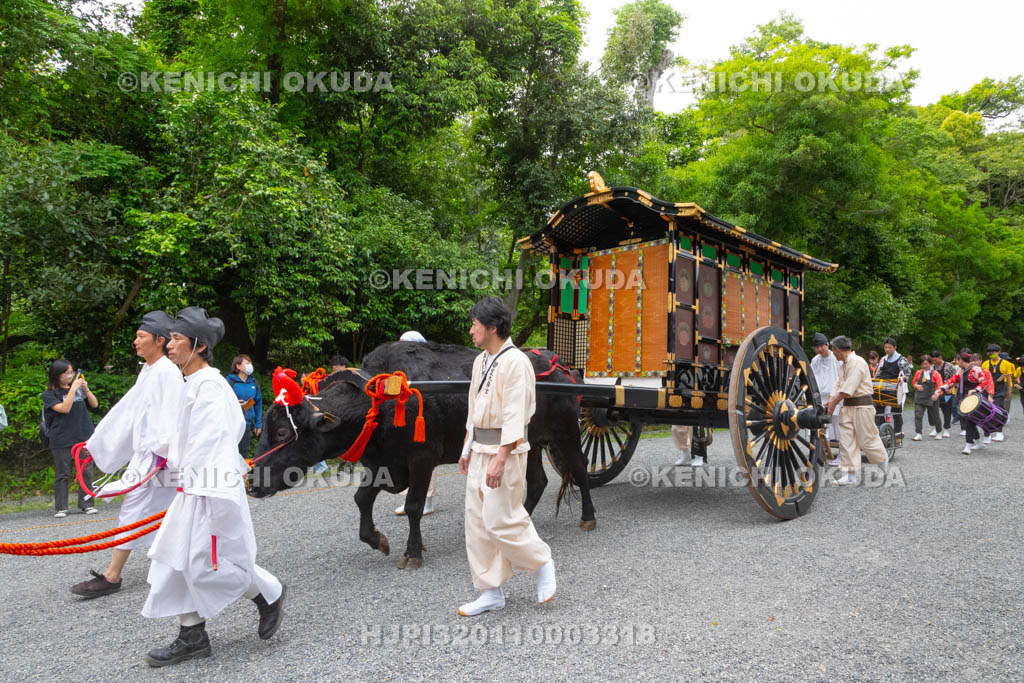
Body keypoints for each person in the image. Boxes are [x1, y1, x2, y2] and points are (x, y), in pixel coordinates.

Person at [142, 307, 284, 667]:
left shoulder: (211, 387)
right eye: (170, 338)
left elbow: (212, 441)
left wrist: (199, 484)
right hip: (192, 486)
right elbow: (180, 437)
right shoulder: (192, 383)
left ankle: (267, 594)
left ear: (200, 345)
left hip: (208, 487)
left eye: (177, 338)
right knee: (176, 560)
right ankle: (192, 636)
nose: (169, 344)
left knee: (204, 562)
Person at [70, 311, 183, 599]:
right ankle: (175, 564)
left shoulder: (167, 372)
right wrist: (99, 441)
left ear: (159, 340)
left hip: (159, 458)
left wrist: (164, 455)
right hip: (151, 455)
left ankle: (113, 575)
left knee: (139, 510)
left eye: (141, 336)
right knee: (168, 511)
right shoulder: (150, 370)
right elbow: (128, 411)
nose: (135, 341)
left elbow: (171, 417)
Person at [458, 297, 555, 616]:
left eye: (475, 324)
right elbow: (474, 409)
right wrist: (467, 447)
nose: (471, 330)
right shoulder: (481, 361)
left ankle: (542, 562)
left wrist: (501, 458)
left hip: (506, 452)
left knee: (501, 519)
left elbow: (515, 414)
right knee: (476, 523)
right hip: (480, 449)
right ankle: (490, 591)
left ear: (492, 327)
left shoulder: (516, 362)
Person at [825, 336, 890, 486]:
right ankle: (850, 475)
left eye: (833, 350)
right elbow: (838, 385)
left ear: (837, 349)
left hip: (862, 406)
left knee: (867, 439)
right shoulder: (843, 366)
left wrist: (834, 403)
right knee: (846, 441)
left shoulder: (857, 362)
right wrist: (831, 400)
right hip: (847, 407)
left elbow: (849, 388)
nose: (833, 353)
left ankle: (883, 463)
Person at [42, 359, 99, 517]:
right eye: (66, 373)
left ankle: (87, 504)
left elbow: (94, 404)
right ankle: (61, 507)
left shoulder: (78, 389)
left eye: (72, 372)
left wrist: (86, 389)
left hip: (83, 434)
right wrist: (73, 388)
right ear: (57, 375)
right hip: (61, 437)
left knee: (86, 471)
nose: (70, 375)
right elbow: (64, 409)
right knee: (62, 473)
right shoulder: (49, 394)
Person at [395, 332, 440, 514]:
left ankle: (427, 501)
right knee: (407, 459)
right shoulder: (400, 366)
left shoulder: (429, 366)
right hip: (407, 417)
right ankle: (410, 498)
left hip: (425, 418)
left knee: (425, 458)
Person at [934, 352, 995, 455]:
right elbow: (952, 380)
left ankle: (968, 445)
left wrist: (975, 390)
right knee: (967, 421)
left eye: (958, 361)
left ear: (961, 361)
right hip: (964, 399)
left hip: (974, 399)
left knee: (970, 421)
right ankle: (978, 442)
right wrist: (940, 389)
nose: (957, 363)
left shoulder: (975, 370)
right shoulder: (961, 371)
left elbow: (984, 382)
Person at [810, 332, 842, 465]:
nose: (819, 349)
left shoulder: (836, 358)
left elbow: (841, 376)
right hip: (820, 396)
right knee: (819, 424)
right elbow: (811, 377)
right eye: (816, 347)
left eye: (821, 346)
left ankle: (842, 456)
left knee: (837, 425)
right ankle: (820, 454)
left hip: (835, 395)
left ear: (827, 345)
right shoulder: (815, 360)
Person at [874, 338, 912, 437]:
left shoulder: (901, 359)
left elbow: (908, 374)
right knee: (878, 412)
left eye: (889, 347)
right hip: (883, 388)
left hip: (895, 388)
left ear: (895, 348)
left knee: (896, 412)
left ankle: (897, 434)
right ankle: (883, 432)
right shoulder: (883, 359)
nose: (887, 349)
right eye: (885, 347)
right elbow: (879, 373)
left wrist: (902, 378)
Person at [227, 354, 262, 456]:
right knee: (229, 453)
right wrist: (236, 404)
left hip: (246, 424)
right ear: (238, 366)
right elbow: (221, 401)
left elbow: (257, 402)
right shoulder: (229, 382)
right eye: (247, 363)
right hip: (230, 424)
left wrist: (258, 424)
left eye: (250, 363)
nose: (250, 366)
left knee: (243, 453)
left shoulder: (254, 383)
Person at [981, 344, 1014, 440]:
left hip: (1000, 391)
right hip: (988, 391)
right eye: (989, 352)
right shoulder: (985, 364)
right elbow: (983, 379)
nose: (991, 354)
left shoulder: (1006, 364)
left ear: (999, 352)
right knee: (986, 412)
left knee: (998, 411)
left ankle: (999, 433)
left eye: (993, 352)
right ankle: (987, 435)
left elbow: (1009, 379)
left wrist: (1009, 392)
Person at [911, 355, 942, 441]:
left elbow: (940, 386)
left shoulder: (935, 373)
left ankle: (939, 432)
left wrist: (937, 394)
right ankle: (918, 434)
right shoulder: (918, 372)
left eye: (926, 364)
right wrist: (916, 386)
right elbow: (913, 383)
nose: (924, 366)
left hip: (932, 397)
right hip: (920, 397)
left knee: (935, 415)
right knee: (918, 415)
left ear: (930, 363)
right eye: (923, 364)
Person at [931, 351, 956, 438]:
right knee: (934, 411)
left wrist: (952, 388)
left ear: (940, 357)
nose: (934, 362)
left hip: (947, 391)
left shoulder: (950, 366)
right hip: (936, 392)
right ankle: (936, 428)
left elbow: (955, 378)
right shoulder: (932, 367)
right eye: (933, 360)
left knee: (947, 411)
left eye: (935, 360)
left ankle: (946, 429)